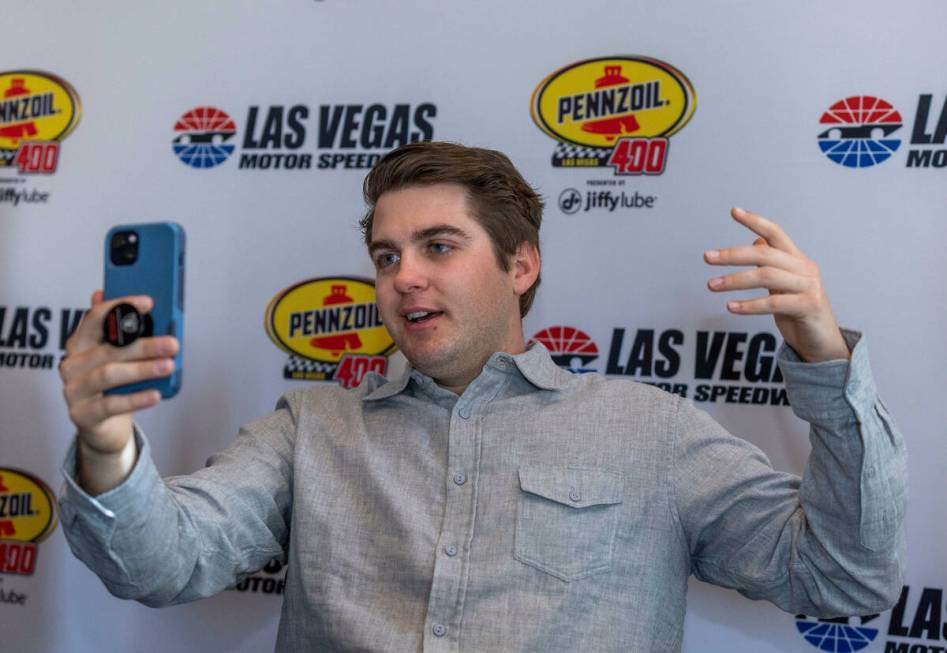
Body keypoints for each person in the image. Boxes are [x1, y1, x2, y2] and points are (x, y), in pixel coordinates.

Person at [58, 141, 906, 652]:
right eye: (387, 256)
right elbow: (159, 562)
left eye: (437, 245)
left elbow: (841, 578)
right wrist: (105, 441)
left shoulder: (650, 431)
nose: (404, 277)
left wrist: (823, 357)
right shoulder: (311, 428)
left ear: (519, 265)